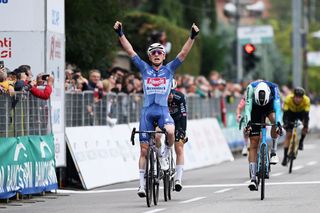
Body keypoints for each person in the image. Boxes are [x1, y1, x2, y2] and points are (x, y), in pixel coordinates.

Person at [113, 20, 199, 198]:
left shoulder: (169, 70)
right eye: (154, 53)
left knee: (170, 130)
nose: (157, 54)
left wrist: (191, 37)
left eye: (160, 52)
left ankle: (164, 154)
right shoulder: (144, 69)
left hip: (162, 111)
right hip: (146, 113)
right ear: (150, 56)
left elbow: (183, 54)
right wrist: (121, 34)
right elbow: (130, 51)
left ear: (164, 55)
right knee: (143, 150)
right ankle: (142, 185)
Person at [243, 80, 283, 191]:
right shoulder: (250, 88)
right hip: (255, 108)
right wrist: (248, 124)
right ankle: (253, 178)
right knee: (254, 143)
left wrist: (279, 124)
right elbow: (247, 109)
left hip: (269, 106)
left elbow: (278, 109)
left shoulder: (274, 88)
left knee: (274, 120)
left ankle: (274, 151)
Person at [281, 87, 310, 166]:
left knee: (306, 126)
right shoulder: (288, 99)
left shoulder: (306, 100)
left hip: (301, 113)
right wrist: (286, 123)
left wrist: (305, 125)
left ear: (302, 97)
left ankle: (301, 142)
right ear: (293, 96)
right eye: (296, 97)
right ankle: (284, 157)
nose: (298, 99)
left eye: (300, 97)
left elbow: (306, 116)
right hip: (290, 113)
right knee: (288, 135)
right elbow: (285, 114)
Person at [167, 79, 187, 191]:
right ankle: (162, 158)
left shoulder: (180, 97)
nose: (170, 95)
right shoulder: (160, 98)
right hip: (165, 121)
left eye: (172, 92)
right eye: (167, 92)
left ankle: (178, 179)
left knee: (179, 148)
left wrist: (183, 131)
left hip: (178, 122)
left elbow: (184, 114)